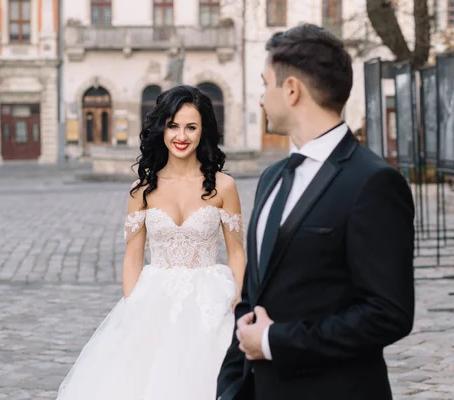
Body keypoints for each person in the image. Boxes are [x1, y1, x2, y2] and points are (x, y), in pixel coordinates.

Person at [217, 24, 415, 400]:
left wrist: (277, 341)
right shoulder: (272, 177)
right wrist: (229, 386)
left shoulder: (373, 183)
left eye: (265, 84)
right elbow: (252, 296)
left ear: (291, 90)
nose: (261, 98)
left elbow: (388, 313)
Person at [56, 85, 246, 400]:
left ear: (203, 131)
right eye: (173, 125)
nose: (181, 135)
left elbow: (236, 252)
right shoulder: (141, 190)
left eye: (191, 127)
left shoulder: (224, 186)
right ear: (161, 129)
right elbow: (132, 255)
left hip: (210, 301)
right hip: (153, 300)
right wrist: (133, 306)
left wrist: (235, 300)